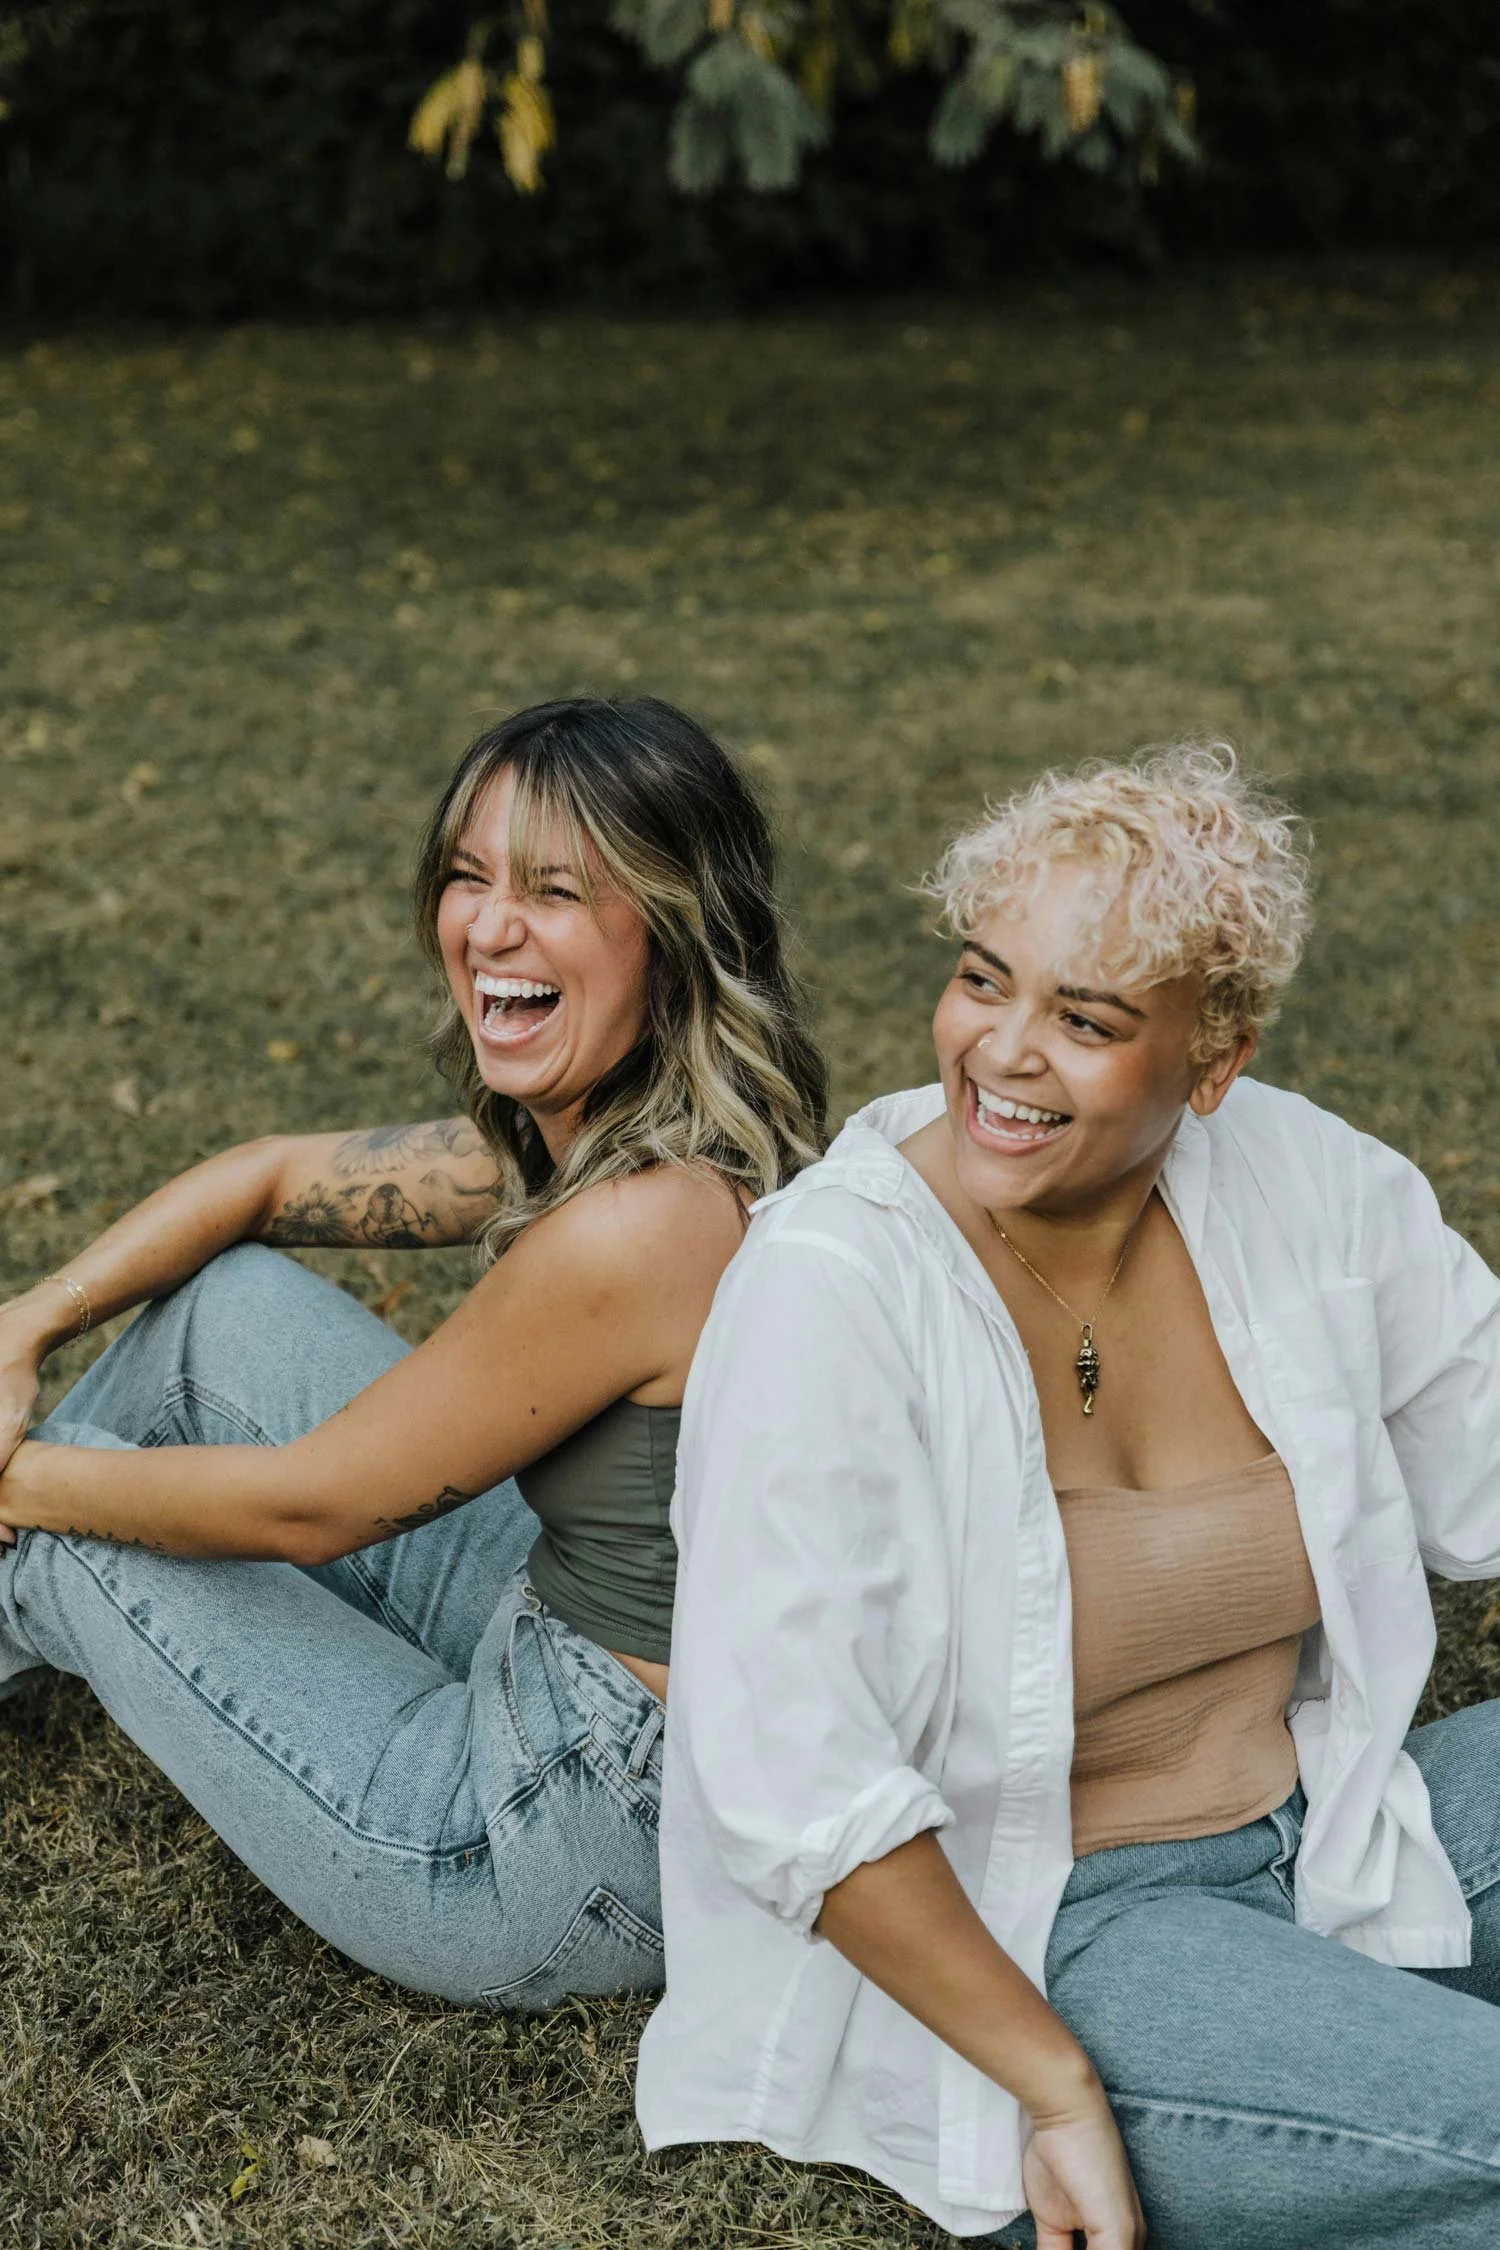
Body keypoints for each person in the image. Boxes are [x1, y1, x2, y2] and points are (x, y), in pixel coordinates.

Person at [638, 741, 1500, 2249]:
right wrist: (1053, 2089)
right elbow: (792, 1783)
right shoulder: (831, 1284)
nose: (1005, 1051)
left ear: (1214, 1065)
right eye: (985, 981)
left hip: (1338, 1828)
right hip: (1058, 1929)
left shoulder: (1308, 1183)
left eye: (1086, 1020)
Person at [0, 694, 826, 2008]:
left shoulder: (641, 1225)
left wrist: (25, 1479)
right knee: (224, 1310)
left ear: (675, 931)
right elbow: (271, 1178)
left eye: (554, 889)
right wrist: (27, 1321)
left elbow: (309, 1507)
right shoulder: (639, 1136)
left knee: (74, 1527)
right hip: (585, 1654)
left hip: (573, 1839)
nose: (488, 927)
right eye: (468, 875)